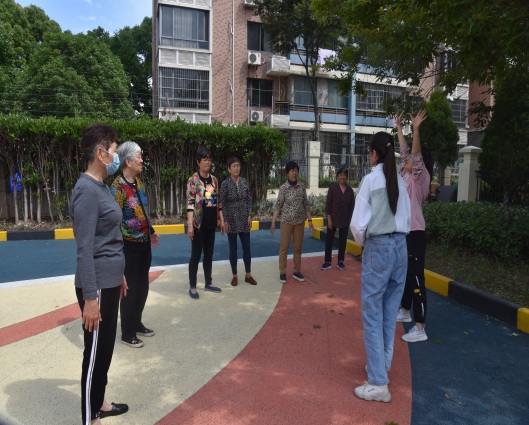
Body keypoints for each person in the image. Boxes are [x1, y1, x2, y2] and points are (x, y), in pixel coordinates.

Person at [69, 124, 129, 424]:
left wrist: (119, 274)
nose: (117, 158)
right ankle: (89, 418)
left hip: (110, 280)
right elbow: (85, 249)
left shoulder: (101, 186)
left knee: (104, 350)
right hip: (97, 287)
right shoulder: (86, 191)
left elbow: (108, 239)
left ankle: (100, 403)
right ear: (100, 152)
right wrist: (91, 299)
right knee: (93, 355)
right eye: (115, 151)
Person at [350, 131, 411, 403]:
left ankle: (378, 382)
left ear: (374, 153)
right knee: (388, 313)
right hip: (401, 248)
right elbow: (407, 218)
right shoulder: (399, 181)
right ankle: (381, 366)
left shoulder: (371, 180)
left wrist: (367, 244)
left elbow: (357, 225)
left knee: (373, 314)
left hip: (380, 247)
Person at [110, 141, 160, 348]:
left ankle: (137, 322)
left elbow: (143, 211)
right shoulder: (117, 188)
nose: (141, 160)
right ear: (128, 161)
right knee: (129, 290)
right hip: (128, 246)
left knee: (142, 287)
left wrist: (151, 231)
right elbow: (114, 221)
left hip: (144, 243)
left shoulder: (138, 183)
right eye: (139, 157)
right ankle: (127, 332)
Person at [396, 110, 432, 343]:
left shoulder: (420, 177)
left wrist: (416, 129)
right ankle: (405, 311)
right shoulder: (406, 175)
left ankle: (420, 327)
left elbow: (415, 156)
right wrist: (399, 127)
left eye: (412, 159)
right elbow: (405, 152)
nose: (407, 158)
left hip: (416, 233)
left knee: (417, 279)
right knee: (407, 275)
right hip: (406, 232)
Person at [187, 146, 224, 299]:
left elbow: (215, 201)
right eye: (204, 159)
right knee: (195, 256)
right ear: (198, 162)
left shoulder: (213, 180)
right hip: (198, 225)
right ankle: (193, 286)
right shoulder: (193, 180)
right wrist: (190, 225)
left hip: (211, 224)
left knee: (209, 254)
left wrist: (221, 220)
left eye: (209, 159)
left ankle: (208, 282)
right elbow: (190, 203)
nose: (207, 162)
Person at [270, 161, 314, 284]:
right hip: (286, 222)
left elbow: (306, 204)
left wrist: (310, 220)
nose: (294, 173)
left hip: (299, 222)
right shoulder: (284, 188)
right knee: (284, 248)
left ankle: (297, 271)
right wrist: (273, 222)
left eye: (296, 171)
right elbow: (278, 205)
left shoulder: (302, 187)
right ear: (287, 173)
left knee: (297, 248)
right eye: (292, 171)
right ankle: (282, 272)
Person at [220, 156, 257, 286]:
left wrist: (249, 215)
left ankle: (248, 275)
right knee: (233, 249)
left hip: (244, 219)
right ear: (229, 169)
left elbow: (249, 200)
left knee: (247, 248)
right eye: (234, 166)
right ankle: (234, 275)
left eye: (238, 166)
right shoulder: (225, 184)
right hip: (231, 221)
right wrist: (224, 220)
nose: (236, 168)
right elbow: (223, 203)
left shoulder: (244, 182)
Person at [320, 167, 355, 271]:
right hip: (333, 219)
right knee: (329, 240)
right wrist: (329, 219)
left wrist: (351, 220)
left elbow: (352, 206)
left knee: (342, 241)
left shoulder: (350, 191)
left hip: (345, 219)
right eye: (340, 175)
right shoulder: (333, 188)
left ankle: (340, 261)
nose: (342, 177)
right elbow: (328, 205)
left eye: (344, 175)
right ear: (337, 176)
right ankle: (327, 262)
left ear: (347, 177)